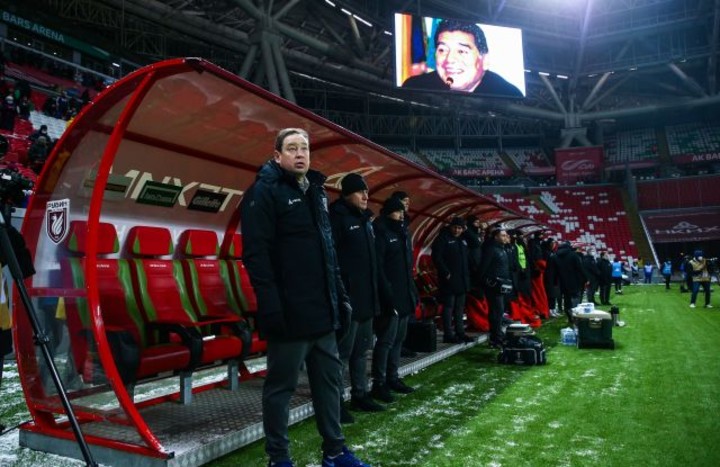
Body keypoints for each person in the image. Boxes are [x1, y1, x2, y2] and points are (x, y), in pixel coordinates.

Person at [240, 128, 370, 467]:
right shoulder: (263, 192)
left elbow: (328, 251)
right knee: (280, 389)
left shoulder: (316, 191)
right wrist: (271, 306)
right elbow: (256, 255)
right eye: (292, 148)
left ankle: (335, 452)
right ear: (277, 155)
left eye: (305, 148)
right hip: (289, 312)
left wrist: (339, 296)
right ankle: (279, 459)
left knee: (329, 385)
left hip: (322, 311)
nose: (300, 154)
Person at [329, 173, 385, 422]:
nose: (365, 196)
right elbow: (332, 260)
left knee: (361, 351)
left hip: (366, 298)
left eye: (367, 192)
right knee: (341, 354)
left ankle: (360, 395)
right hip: (348, 300)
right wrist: (341, 295)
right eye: (360, 191)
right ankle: (336, 402)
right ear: (347, 193)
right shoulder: (337, 218)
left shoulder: (365, 221)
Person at [371, 196, 418, 404]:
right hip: (390, 297)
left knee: (398, 340)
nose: (401, 215)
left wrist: (412, 292)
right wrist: (387, 295)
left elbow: (407, 267)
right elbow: (379, 267)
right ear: (388, 212)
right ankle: (379, 382)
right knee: (386, 341)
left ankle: (393, 377)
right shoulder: (381, 231)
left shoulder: (403, 232)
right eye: (397, 211)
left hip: (404, 295)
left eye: (402, 212)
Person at [401, 19, 523, 97]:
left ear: (485, 60)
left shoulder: (508, 95)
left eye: (461, 51)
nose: (450, 59)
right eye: (442, 50)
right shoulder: (415, 87)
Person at [431, 217, 472, 344]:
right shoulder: (442, 238)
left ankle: (460, 332)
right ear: (450, 226)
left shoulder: (462, 239)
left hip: (462, 279)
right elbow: (436, 257)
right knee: (449, 307)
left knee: (459, 307)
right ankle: (448, 334)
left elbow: (476, 244)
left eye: (460, 228)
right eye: (455, 227)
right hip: (449, 279)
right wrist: (445, 272)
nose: (457, 230)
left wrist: (467, 231)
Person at [478, 228, 512, 348]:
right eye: (502, 235)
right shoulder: (491, 249)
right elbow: (483, 267)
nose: (505, 237)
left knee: (498, 311)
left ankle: (497, 336)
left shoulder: (502, 249)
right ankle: (496, 338)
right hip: (493, 286)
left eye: (506, 235)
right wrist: (486, 282)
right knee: (496, 311)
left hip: (501, 285)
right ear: (495, 237)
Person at [551, 242, 587, 325]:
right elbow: (580, 268)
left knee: (567, 300)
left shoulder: (555, 256)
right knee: (576, 298)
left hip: (562, 282)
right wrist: (585, 278)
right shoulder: (573, 255)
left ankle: (570, 317)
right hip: (575, 281)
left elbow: (554, 271)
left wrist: (555, 282)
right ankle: (575, 317)